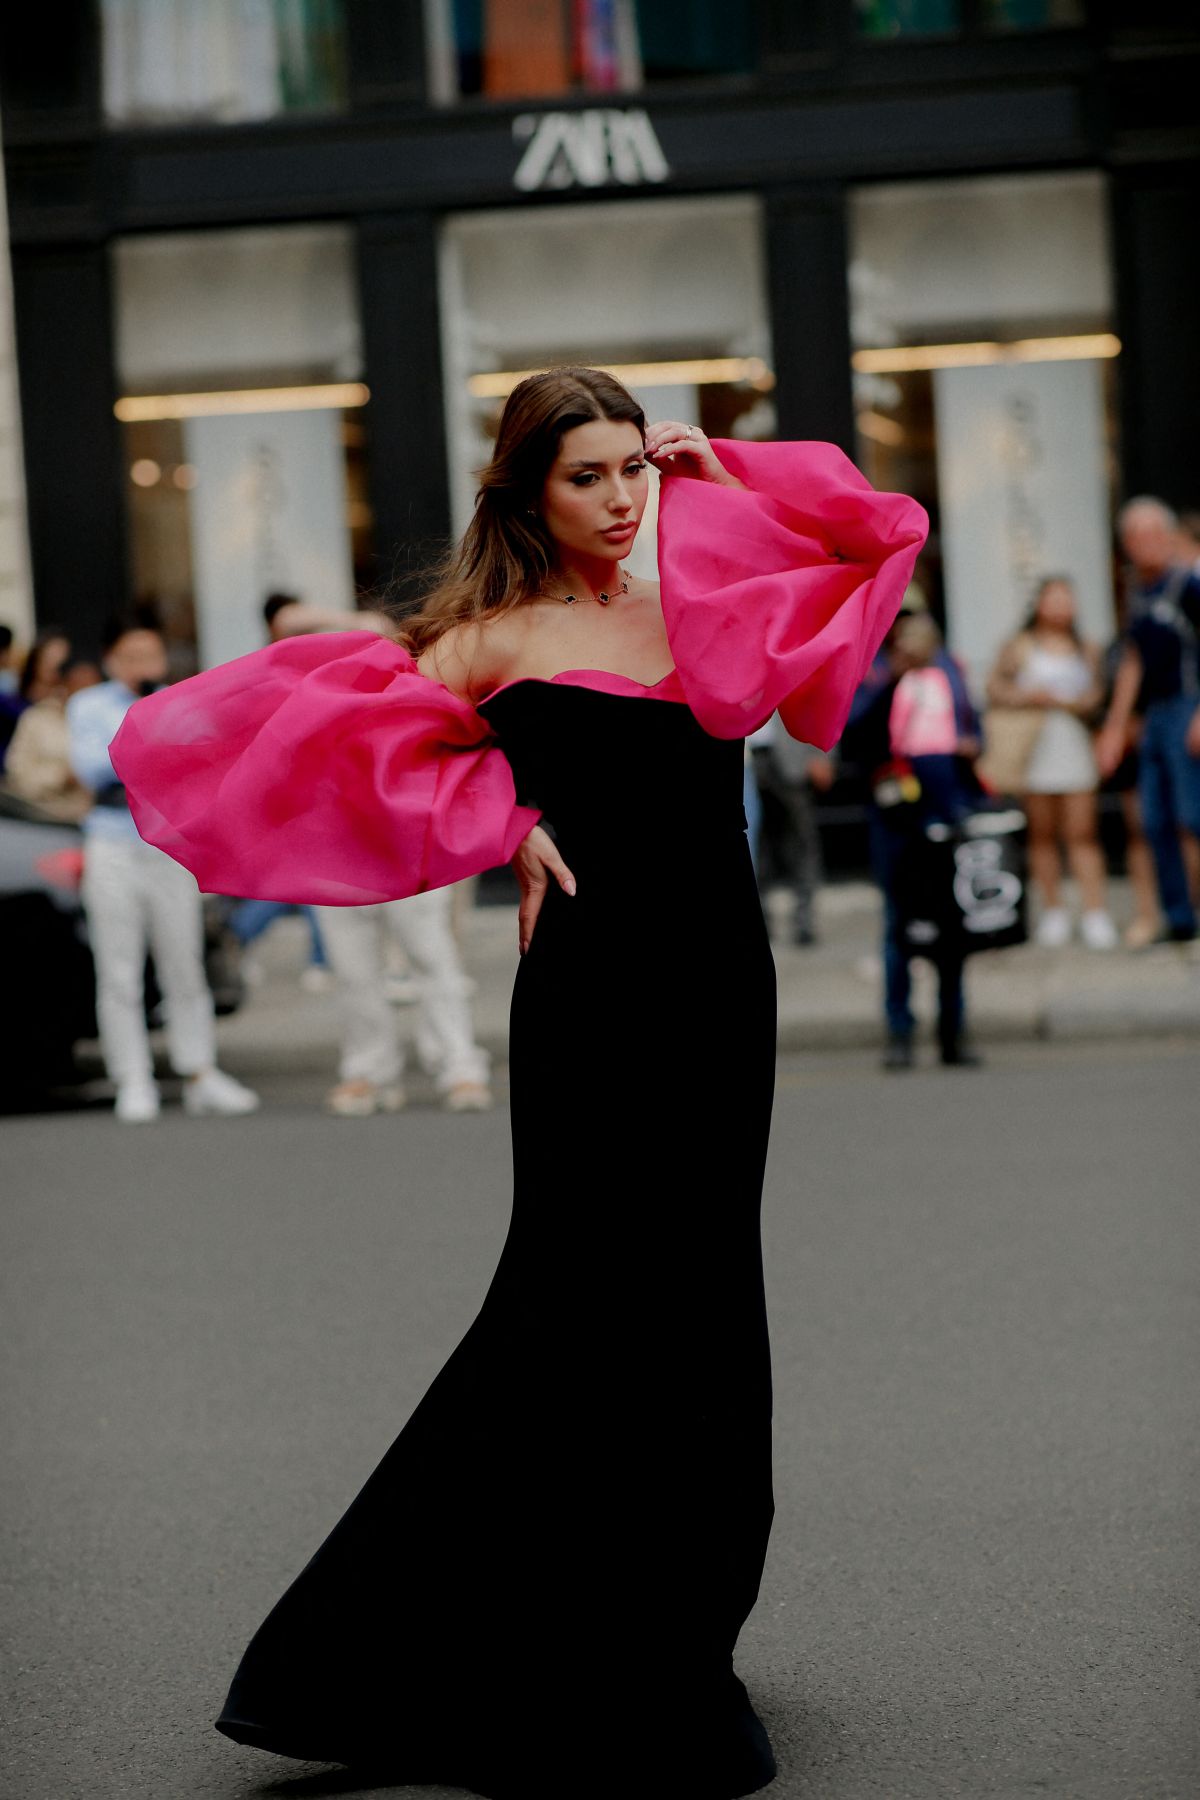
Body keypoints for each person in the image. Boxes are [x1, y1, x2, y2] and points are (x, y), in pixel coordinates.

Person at [111, 367, 926, 1795]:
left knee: (701, 1296)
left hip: (721, 988)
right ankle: (359, 1659)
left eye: (632, 471)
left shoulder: (709, 605)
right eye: (588, 478)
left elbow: (882, 542)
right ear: (524, 493)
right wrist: (499, 813)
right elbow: (315, 740)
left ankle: (676, 1637)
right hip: (591, 994)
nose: (621, 502)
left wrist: (734, 471)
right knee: (564, 1301)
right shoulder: (488, 638)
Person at [66, 616, 260, 1123]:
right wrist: (149, 743)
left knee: (184, 960)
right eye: (131, 656)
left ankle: (198, 1070)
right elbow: (94, 766)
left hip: (168, 845)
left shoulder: (177, 697)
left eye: (150, 655)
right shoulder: (89, 705)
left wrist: (148, 746)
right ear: (112, 660)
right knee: (119, 969)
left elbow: (199, 759)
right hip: (112, 845)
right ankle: (132, 1077)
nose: (143, 666)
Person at [852, 612, 982, 1071]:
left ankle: (952, 1032)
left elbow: (972, 733)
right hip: (898, 824)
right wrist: (893, 683)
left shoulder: (950, 677)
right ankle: (900, 1031)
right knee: (899, 928)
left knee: (951, 929)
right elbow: (858, 740)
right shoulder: (879, 681)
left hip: (945, 818)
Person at [986, 576, 1117, 949]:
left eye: (1066, 599)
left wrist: (1075, 702)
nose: (1061, 606)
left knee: (1082, 832)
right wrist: (1030, 695)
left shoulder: (1086, 648)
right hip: (1033, 745)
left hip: (1073, 743)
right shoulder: (1018, 646)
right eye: (1053, 598)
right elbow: (995, 688)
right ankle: (1054, 910)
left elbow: (1098, 694)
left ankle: (1094, 911)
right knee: (1042, 833)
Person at [1096, 497, 1200, 942]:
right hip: (1155, 714)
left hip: (1188, 705)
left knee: (1192, 817)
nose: (1145, 544)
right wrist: (1116, 726)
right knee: (1153, 819)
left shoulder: (1188, 584)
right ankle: (1179, 919)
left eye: (1153, 533)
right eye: (1135, 537)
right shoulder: (1138, 591)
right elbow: (1133, 660)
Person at [315, 891, 492, 1114]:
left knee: (430, 955)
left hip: (409, 858)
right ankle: (369, 1069)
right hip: (335, 861)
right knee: (351, 969)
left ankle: (459, 1065)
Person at [748, 714, 832, 944]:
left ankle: (804, 920)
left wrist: (824, 752)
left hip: (792, 757)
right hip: (746, 755)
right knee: (753, 844)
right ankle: (758, 918)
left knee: (802, 842)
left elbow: (823, 688)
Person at [3, 656, 100, 821]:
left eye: (92, 688)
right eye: (79, 685)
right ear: (64, 684)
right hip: (32, 812)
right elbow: (17, 770)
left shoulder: (105, 725)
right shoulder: (37, 718)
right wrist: (61, 777)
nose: (85, 695)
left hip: (85, 820)